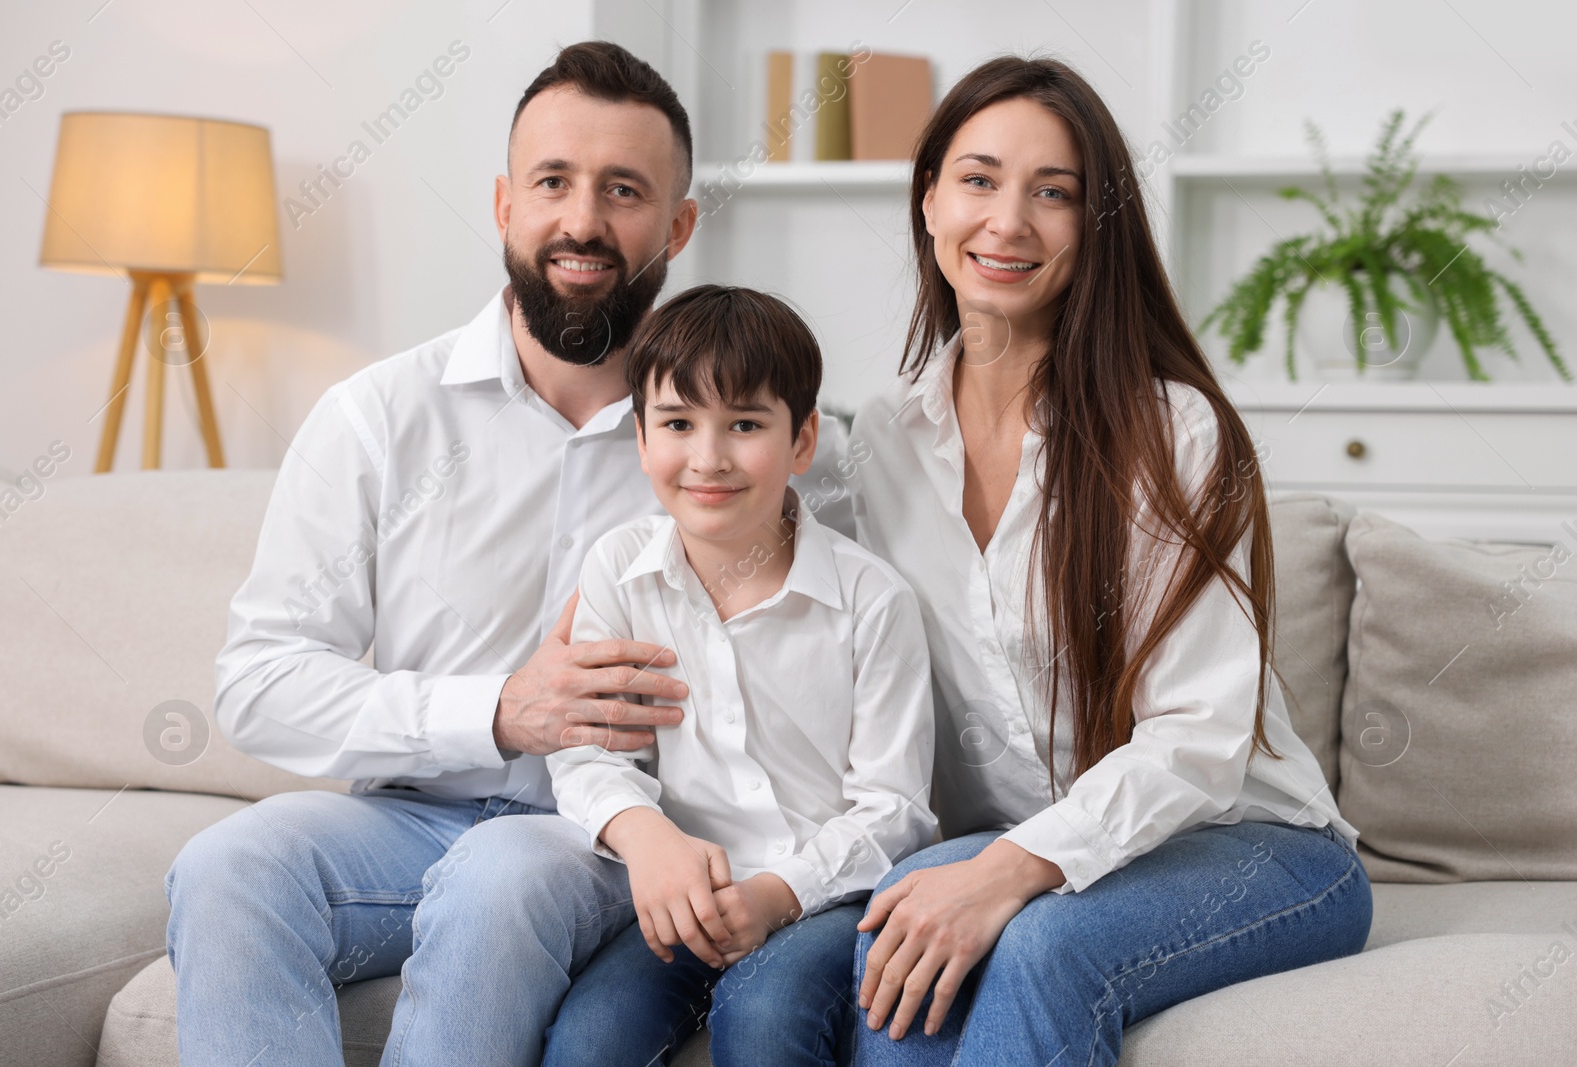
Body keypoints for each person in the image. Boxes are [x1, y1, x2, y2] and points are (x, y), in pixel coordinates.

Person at [163, 43, 853, 1067]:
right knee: (226, 863)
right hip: (405, 821)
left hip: (619, 841)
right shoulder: (376, 418)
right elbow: (260, 683)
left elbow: (837, 667)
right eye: (552, 183)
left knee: (501, 871)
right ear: (502, 205)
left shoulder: (758, 444)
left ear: (677, 225)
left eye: (622, 190)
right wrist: (494, 710)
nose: (582, 220)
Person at [846, 55, 1373, 1064]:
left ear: (1097, 231)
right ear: (927, 200)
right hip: (1039, 847)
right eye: (979, 178)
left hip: (1257, 847)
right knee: (898, 953)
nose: (1008, 220)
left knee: (1043, 947)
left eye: (1056, 194)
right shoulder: (880, 441)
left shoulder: (1170, 430)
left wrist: (1010, 868)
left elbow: (1200, 735)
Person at [510, 285, 937, 1067]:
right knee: (588, 1040)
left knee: (767, 1018)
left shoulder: (872, 601)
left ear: (803, 440)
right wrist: (645, 838)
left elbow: (895, 807)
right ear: (640, 439)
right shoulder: (618, 569)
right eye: (677, 424)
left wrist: (775, 896)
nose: (708, 457)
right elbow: (588, 750)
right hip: (679, 896)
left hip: (820, 897)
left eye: (745, 424)